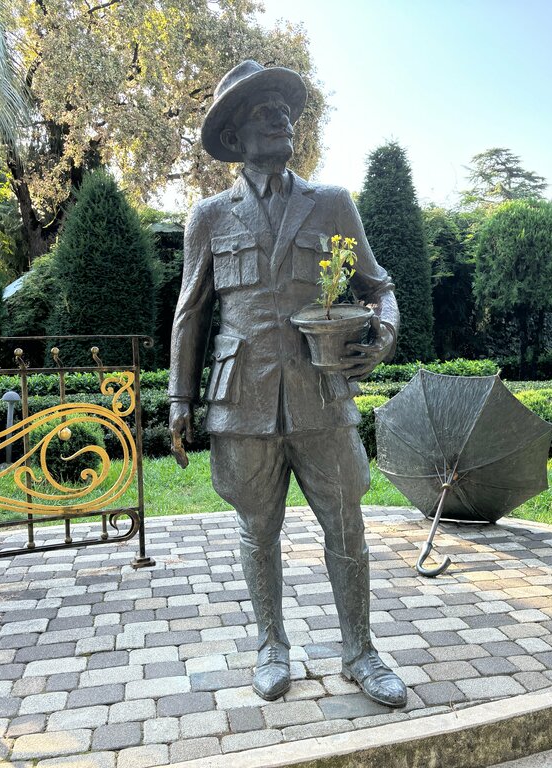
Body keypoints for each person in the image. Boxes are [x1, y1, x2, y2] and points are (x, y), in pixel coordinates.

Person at [168, 60, 407, 707]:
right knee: (257, 528)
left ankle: (360, 652)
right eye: (261, 110)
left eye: (283, 108)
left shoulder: (331, 203)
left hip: (321, 394)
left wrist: (382, 334)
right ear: (236, 135)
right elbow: (190, 312)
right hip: (240, 397)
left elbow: (377, 286)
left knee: (346, 524)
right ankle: (271, 644)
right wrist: (178, 399)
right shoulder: (209, 217)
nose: (279, 118)